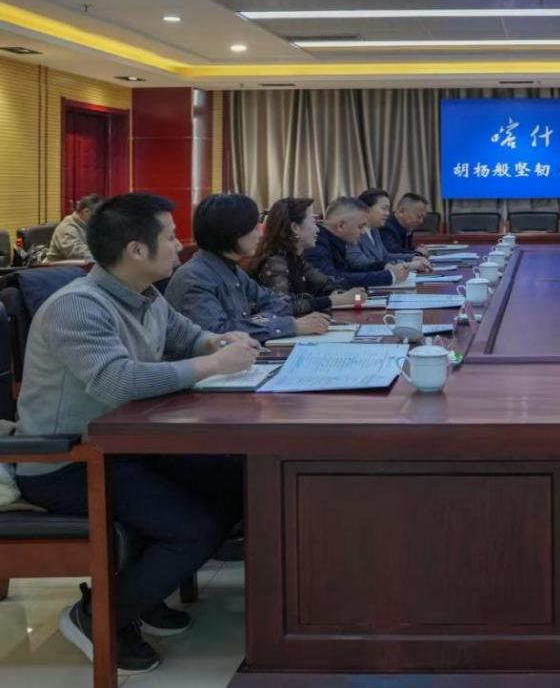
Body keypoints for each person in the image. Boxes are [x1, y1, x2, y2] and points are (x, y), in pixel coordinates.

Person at [13, 193, 259, 674]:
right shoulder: (77, 307)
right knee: (193, 528)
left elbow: (187, 336)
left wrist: (218, 341)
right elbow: (118, 381)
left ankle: (144, 594)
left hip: (127, 446)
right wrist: (213, 365)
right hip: (67, 460)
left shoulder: (145, 295)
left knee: (235, 483)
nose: (180, 246)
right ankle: (100, 614)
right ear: (136, 250)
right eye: (171, 237)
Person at [166, 193, 330, 342]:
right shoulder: (194, 277)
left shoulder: (233, 270)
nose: (259, 234)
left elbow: (275, 303)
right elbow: (219, 334)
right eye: (253, 228)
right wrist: (291, 326)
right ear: (232, 231)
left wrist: (256, 321)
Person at [248, 197, 367, 314]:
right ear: (295, 228)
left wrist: (338, 292)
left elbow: (326, 284)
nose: (318, 229)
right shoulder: (275, 262)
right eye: (313, 222)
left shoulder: (296, 258)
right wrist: (333, 300)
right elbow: (282, 306)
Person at [304, 196, 408, 288]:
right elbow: (332, 278)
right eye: (360, 226)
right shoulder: (315, 244)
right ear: (340, 226)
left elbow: (350, 270)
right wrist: (389, 276)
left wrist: (383, 266)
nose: (363, 232)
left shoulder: (335, 240)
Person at [348, 189, 431, 272]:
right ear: (366, 209)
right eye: (384, 208)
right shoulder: (352, 232)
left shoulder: (374, 230)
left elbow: (385, 256)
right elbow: (364, 265)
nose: (387, 213)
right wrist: (408, 266)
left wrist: (413, 257)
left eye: (388, 209)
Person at [45, 193, 103, 261]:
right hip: (57, 266)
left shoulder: (91, 225)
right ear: (86, 212)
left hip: (80, 265)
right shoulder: (67, 228)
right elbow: (77, 253)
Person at [380, 192, 431, 258]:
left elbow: (406, 249)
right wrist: (418, 253)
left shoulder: (407, 227)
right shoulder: (386, 226)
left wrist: (416, 248)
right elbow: (393, 252)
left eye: (423, 218)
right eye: (418, 216)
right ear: (401, 211)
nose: (421, 221)